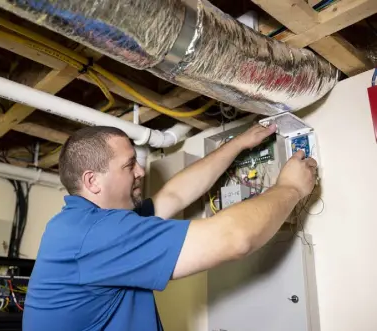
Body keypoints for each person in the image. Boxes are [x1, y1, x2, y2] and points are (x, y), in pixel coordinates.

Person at [23, 124, 317, 331]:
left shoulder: (80, 223)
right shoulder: (96, 234)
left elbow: (173, 196)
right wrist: (290, 188)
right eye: (129, 166)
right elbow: (235, 239)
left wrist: (237, 145)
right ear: (92, 181)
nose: (141, 171)